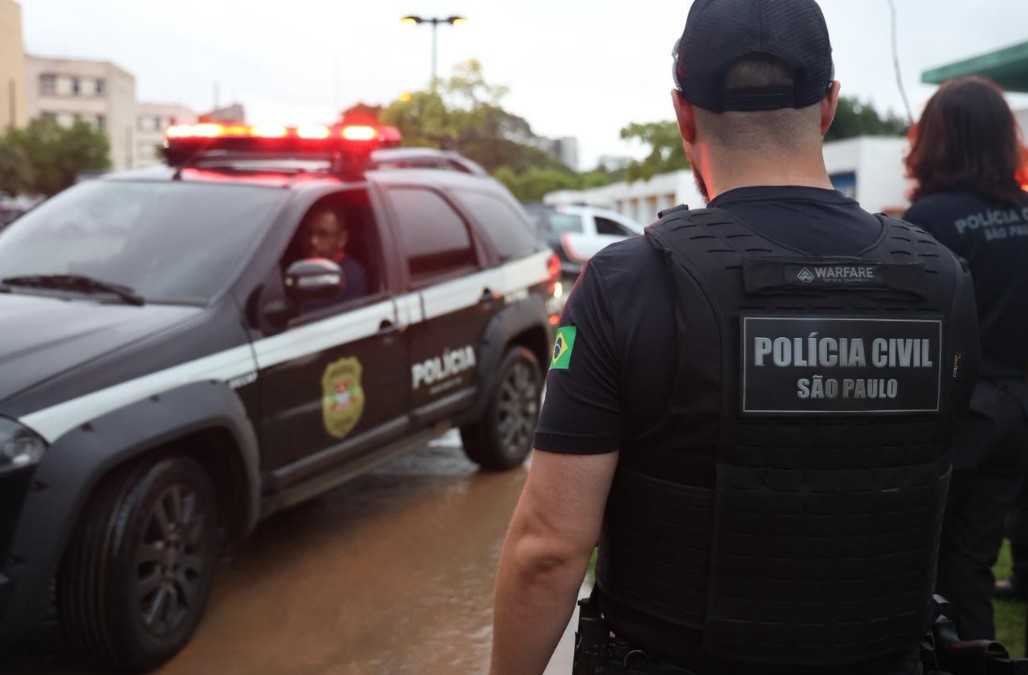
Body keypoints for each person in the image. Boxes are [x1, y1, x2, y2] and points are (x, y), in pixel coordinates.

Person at [489, 1, 980, 674]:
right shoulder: (944, 280)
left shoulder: (625, 283)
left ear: (683, 113)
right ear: (828, 104)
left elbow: (549, 548)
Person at [903, 76, 1028, 640]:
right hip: (1018, 410)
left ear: (935, 138)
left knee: (933, 564)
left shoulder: (929, 221)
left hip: (961, 417)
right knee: (974, 556)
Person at [300, 206, 368, 308]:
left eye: (323, 234)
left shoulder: (352, 277)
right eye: (309, 232)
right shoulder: (297, 267)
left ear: (342, 239)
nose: (313, 241)